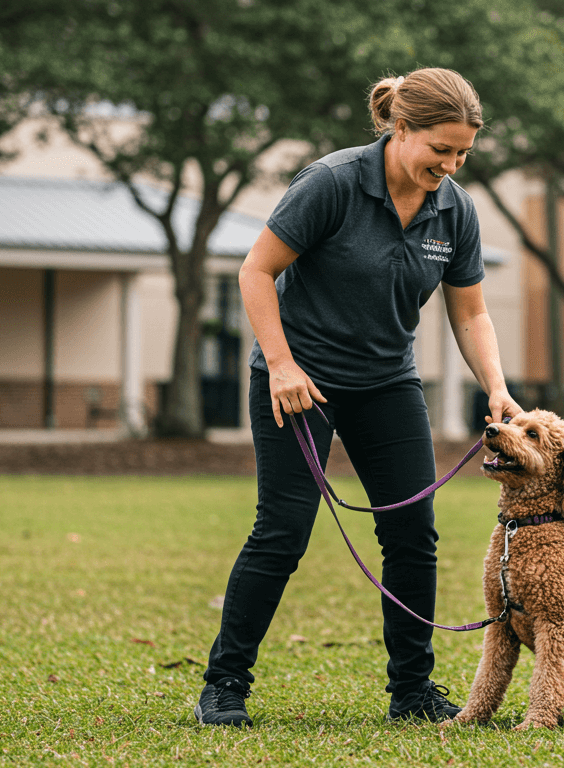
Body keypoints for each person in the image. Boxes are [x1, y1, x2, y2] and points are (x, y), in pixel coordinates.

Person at [194, 68, 522, 727]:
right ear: (402, 130)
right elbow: (256, 271)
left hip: (387, 384)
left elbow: (470, 314)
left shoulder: (453, 209)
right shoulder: (333, 183)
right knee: (283, 531)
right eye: (441, 149)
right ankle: (225, 685)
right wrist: (281, 364)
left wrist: (498, 386)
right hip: (299, 383)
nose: (452, 164)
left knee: (412, 533)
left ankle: (412, 692)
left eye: (463, 153)